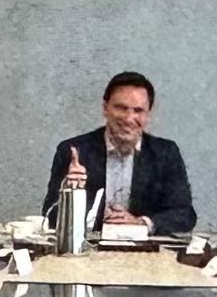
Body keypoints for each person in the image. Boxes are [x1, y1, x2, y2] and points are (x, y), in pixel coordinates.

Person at [42, 71, 195, 236]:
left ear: (148, 115)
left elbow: (184, 214)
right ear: (105, 108)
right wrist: (69, 193)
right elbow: (50, 217)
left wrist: (141, 223)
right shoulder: (75, 151)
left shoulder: (165, 153)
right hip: (89, 247)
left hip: (143, 248)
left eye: (138, 110)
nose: (129, 118)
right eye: (121, 108)